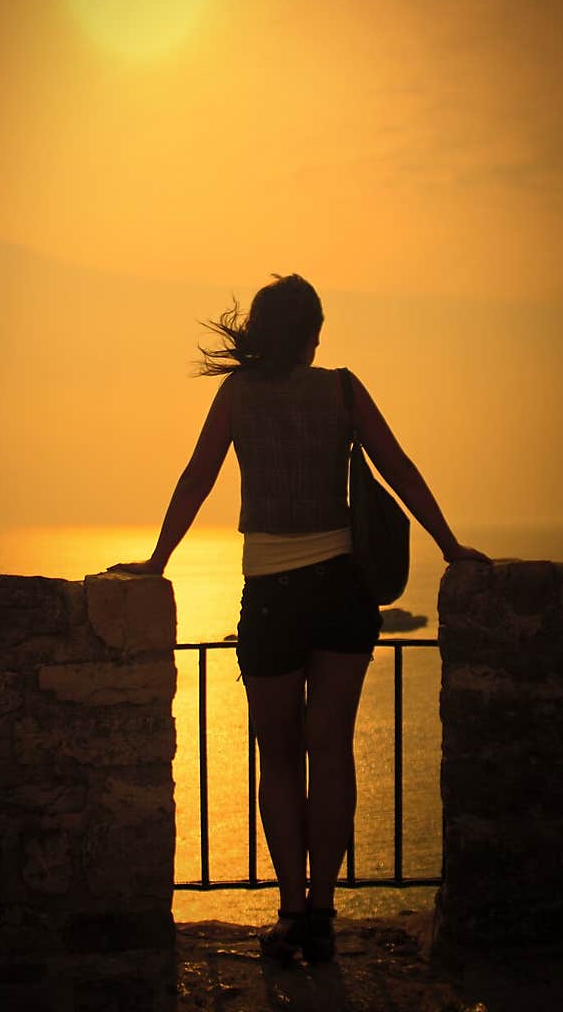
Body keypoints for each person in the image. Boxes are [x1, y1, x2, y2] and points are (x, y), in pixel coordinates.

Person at [109, 273, 489, 963]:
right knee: (331, 749)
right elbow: (397, 467)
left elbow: (198, 476)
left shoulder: (237, 395)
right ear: (311, 332)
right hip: (341, 590)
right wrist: (449, 545)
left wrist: (158, 559)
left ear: (260, 332)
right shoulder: (343, 388)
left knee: (279, 759)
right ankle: (322, 912)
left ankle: (289, 913)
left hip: (273, 596)